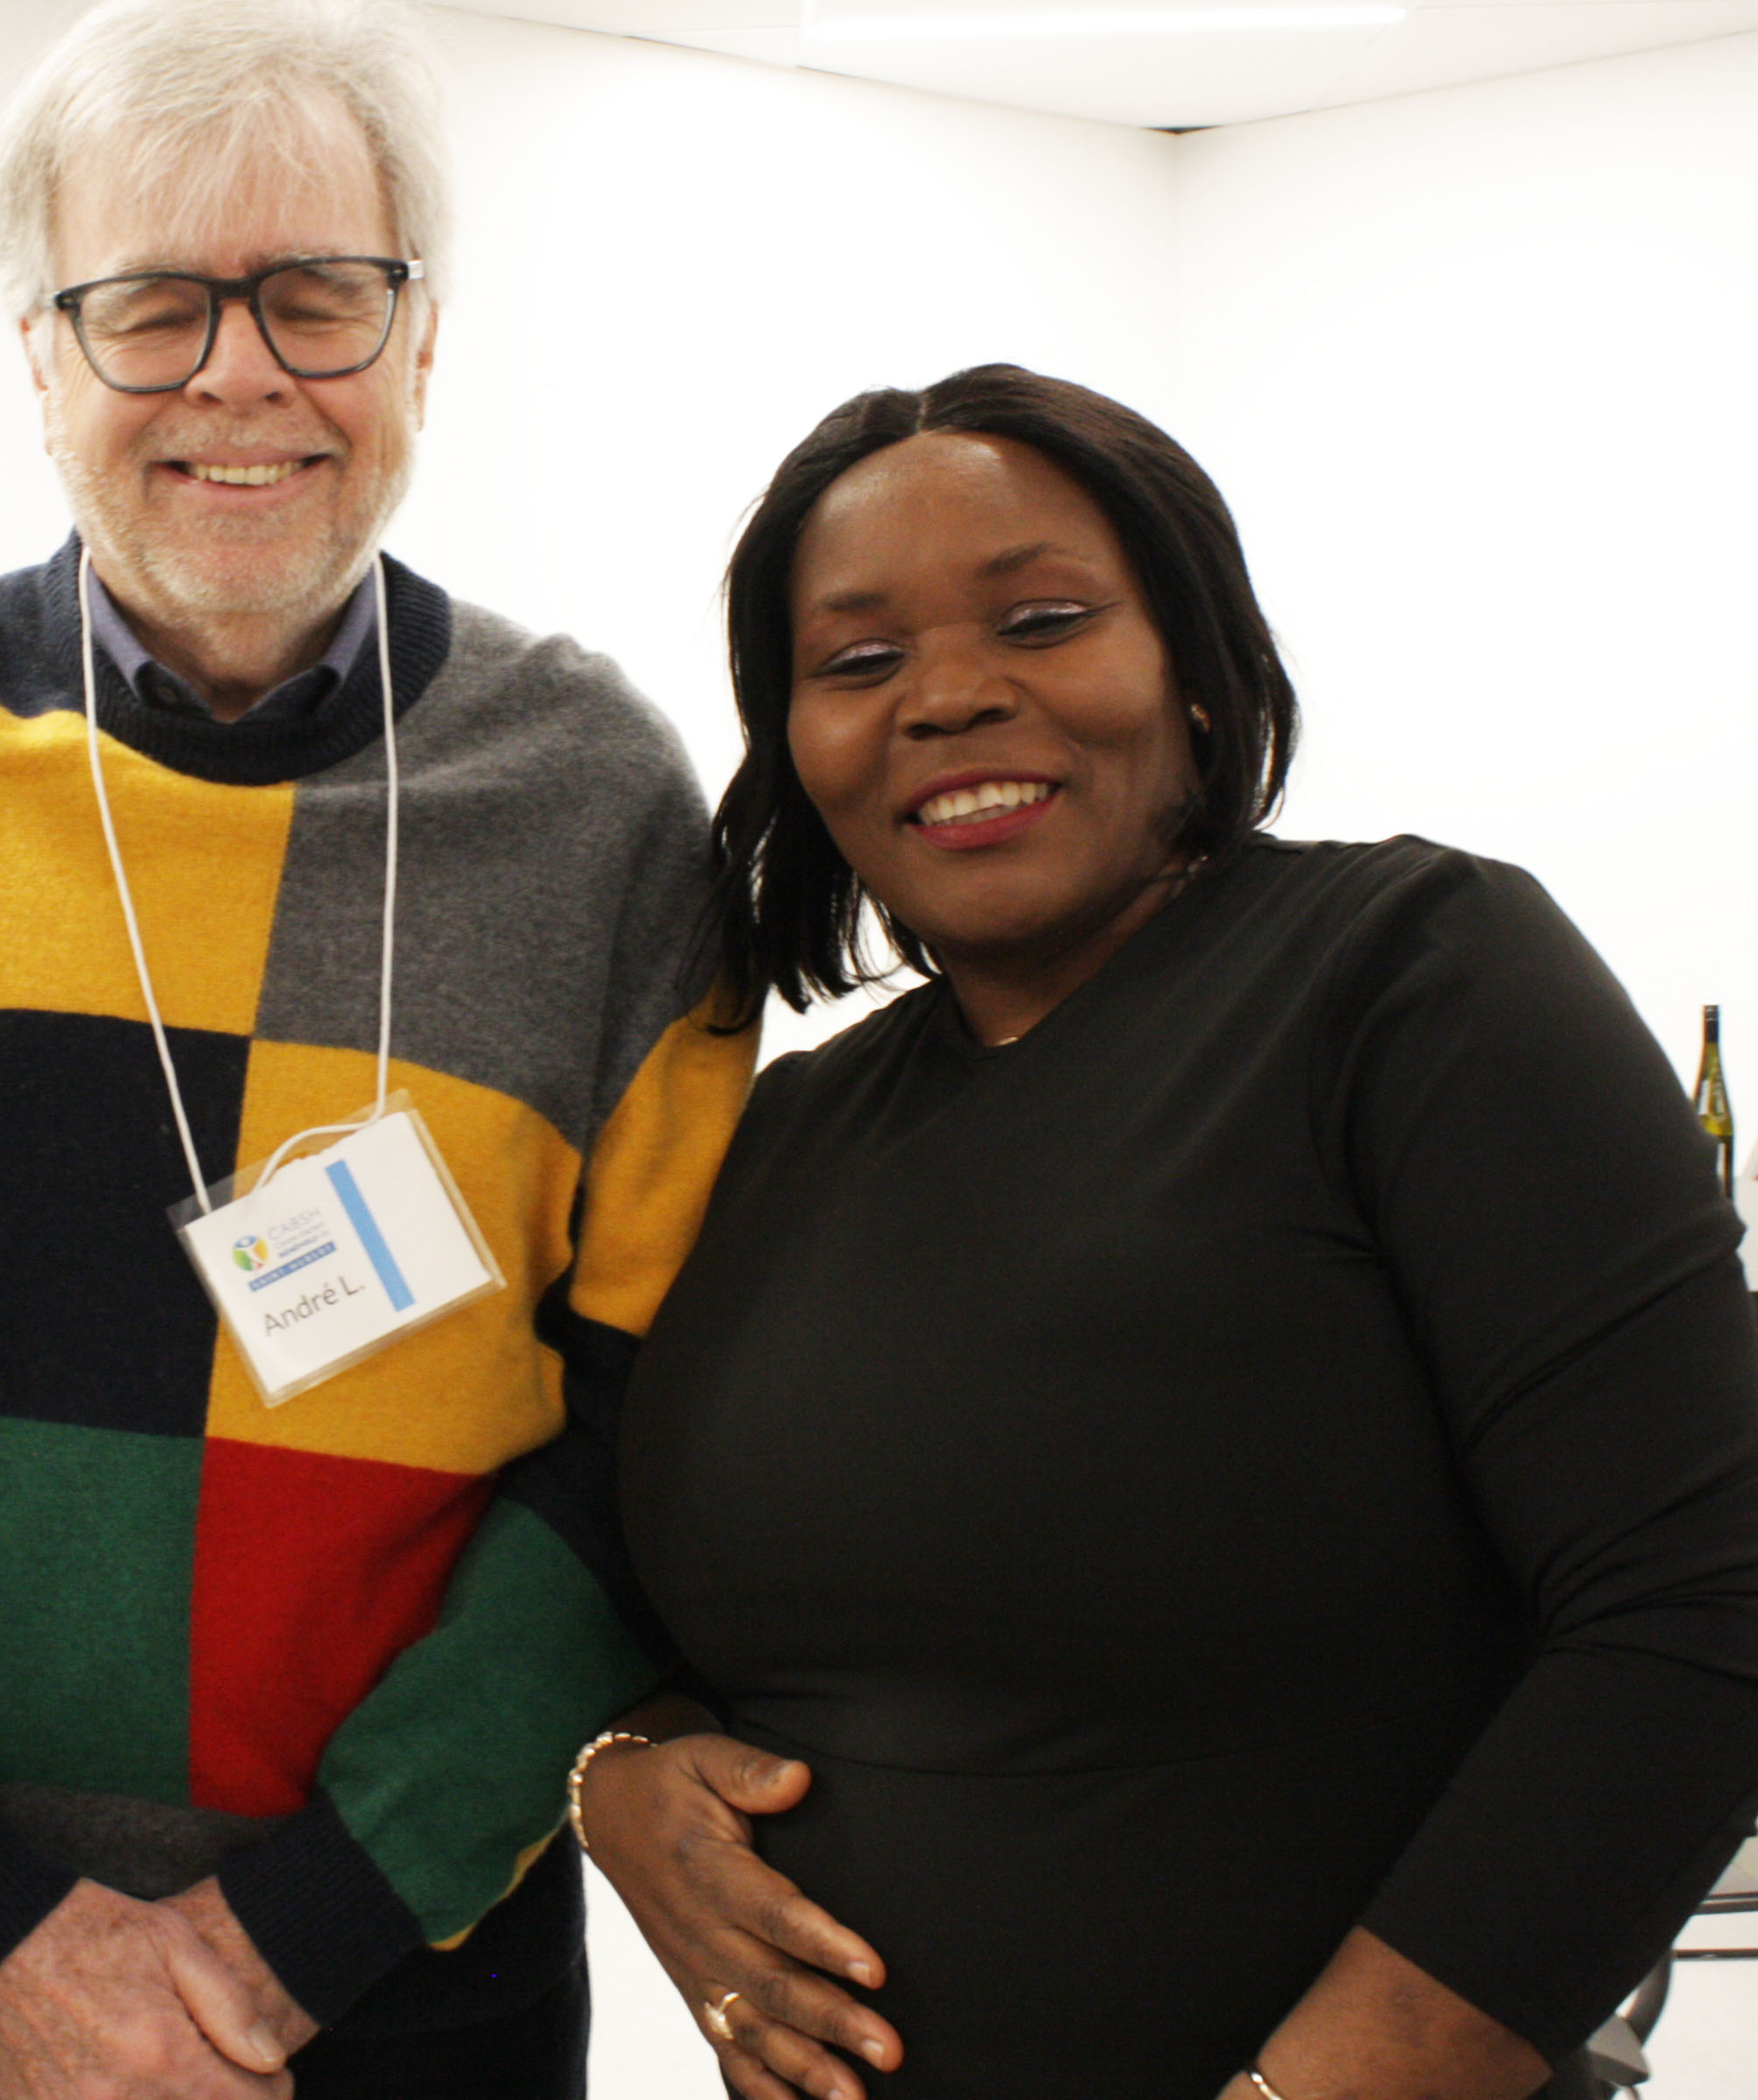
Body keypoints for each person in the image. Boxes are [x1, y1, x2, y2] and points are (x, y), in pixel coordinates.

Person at [0, 2, 755, 2093]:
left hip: (420, 1987)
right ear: (39, 359)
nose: (241, 375)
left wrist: (300, 1930)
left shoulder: (601, 800)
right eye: (151, 306)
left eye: (320, 296)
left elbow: (651, 1432)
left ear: (424, 343)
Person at [575, 363, 1758, 2100]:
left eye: (1043, 620)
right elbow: (683, 1615)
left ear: (1194, 669)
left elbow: (1702, 1602)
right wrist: (624, 1774)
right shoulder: (784, 1139)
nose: (949, 697)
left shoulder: (1412, 977)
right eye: (859, 659)